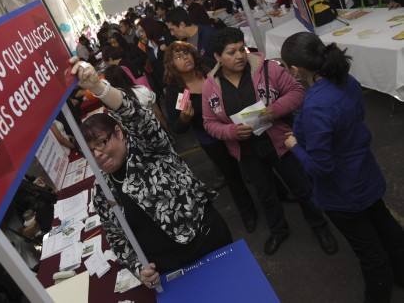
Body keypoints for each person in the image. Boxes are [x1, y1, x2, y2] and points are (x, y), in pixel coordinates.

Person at [70, 57, 233, 288]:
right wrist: (138, 268)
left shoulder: (150, 148)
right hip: (169, 270)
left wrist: (98, 88)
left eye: (102, 142)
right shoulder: (101, 191)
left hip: (207, 241)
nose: (98, 154)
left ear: (119, 133)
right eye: (89, 151)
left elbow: (136, 116)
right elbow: (117, 238)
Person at [281, 32, 404, 303]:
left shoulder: (317, 106)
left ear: (296, 69)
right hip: (364, 173)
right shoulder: (346, 81)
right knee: (388, 229)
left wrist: (294, 146)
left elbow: (320, 166)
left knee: (371, 255)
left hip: (342, 191)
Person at [202, 27, 338, 256]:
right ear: (217, 57)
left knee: (302, 189)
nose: (239, 56)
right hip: (247, 152)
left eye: (241, 49)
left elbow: (297, 91)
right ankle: (278, 230)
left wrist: (275, 110)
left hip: (280, 143)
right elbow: (208, 123)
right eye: (231, 52)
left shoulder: (267, 69)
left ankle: (320, 228)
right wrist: (232, 132)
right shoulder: (210, 86)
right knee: (266, 195)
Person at [163, 41, 258, 232]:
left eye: (187, 53)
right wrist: (183, 119)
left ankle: (277, 192)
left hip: (234, 126)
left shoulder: (210, 71)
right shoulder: (176, 92)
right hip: (211, 139)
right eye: (178, 57)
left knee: (255, 162)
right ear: (172, 65)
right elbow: (176, 128)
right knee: (232, 175)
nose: (185, 58)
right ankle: (248, 213)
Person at [104, 64, 172, 142]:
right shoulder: (142, 90)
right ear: (125, 75)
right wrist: (168, 134)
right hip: (157, 133)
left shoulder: (113, 105)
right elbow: (159, 115)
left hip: (139, 143)